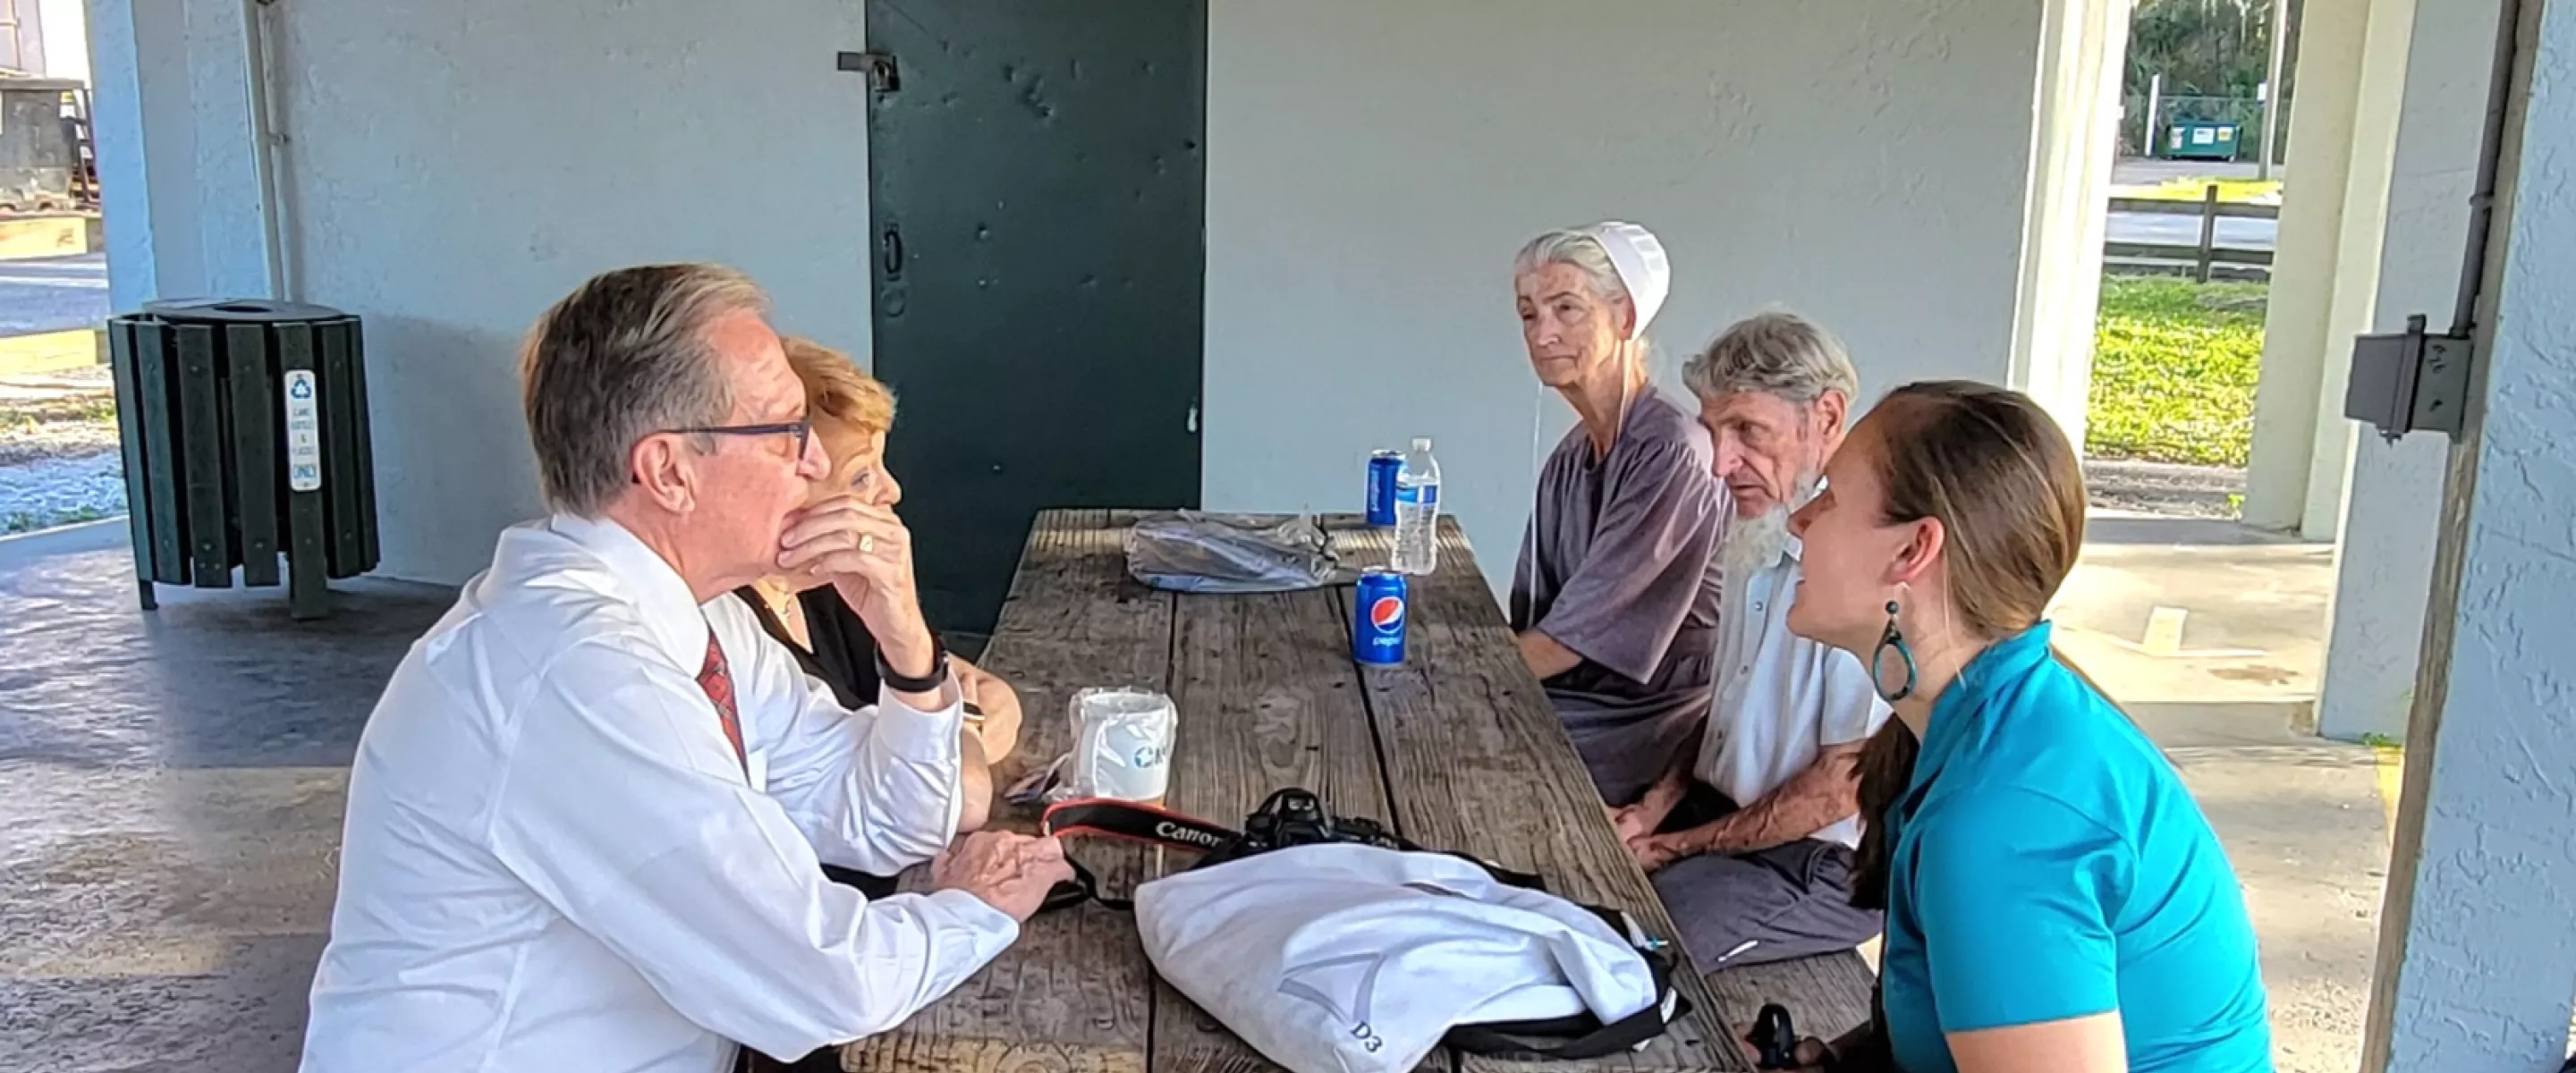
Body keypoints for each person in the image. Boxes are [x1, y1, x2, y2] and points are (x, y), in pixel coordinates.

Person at [301, 264, 1074, 1073]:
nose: (814, 466)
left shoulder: (699, 620)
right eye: (786, 431)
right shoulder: (580, 671)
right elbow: (820, 979)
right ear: (669, 470)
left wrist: (907, 648)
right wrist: (975, 909)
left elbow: (893, 820)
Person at [1778, 380, 2271, 1072]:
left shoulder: (2002, 819)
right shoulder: (1997, 724)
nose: (1799, 519)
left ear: (1912, 551)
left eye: (1828, 495)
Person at [1608, 311, 1889, 972]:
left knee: (1636, 955)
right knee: (1571, 864)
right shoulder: (1760, 528)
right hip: (1727, 815)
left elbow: (1841, 785)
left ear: (1825, 417)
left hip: (1819, 863)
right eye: (1714, 432)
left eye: (1748, 431)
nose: (1722, 462)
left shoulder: (1861, 567)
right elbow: (1728, 706)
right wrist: (1656, 809)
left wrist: (1677, 848)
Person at [734, 337, 1024, 841]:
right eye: (862, 475)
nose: (892, 492)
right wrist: (966, 732)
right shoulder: (731, 624)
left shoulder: (827, 584)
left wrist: (954, 717)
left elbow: (994, 695)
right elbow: (962, 798)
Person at [1507, 222, 1729, 807]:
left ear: (1625, 319)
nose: (1543, 331)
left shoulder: (1669, 451)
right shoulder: (1571, 457)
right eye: (1529, 314)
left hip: (1648, 721)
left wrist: (1457, 679)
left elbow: (1565, 641)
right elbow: (1534, 617)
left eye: (1566, 308)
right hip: (1571, 698)